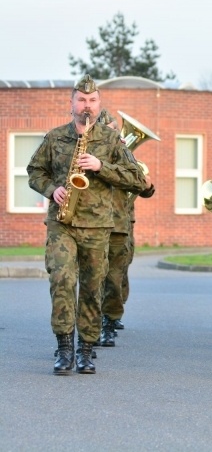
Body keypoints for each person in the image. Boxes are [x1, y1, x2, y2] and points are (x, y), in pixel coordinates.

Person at [27, 75, 147, 375]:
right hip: (62, 222)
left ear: (99, 104)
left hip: (98, 226)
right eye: (81, 100)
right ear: (71, 104)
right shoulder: (55, 137)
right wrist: (51, 189)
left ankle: (86, 349)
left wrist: (101, 166)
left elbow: (138, 180)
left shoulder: (111, 140)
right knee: (62, 280)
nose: (87, 106)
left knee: (93, 287)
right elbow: (34, 171)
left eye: (92, 101)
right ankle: (64, 348)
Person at [98, 111, 156, 346]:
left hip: (118, 224)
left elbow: (145, 188)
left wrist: (146, 184)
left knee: (114, 278)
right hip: (90, 223)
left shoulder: (125, 154)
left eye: (114, 130)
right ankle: (91, 324)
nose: (112, 134)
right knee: (92, 278)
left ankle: (110, 320)